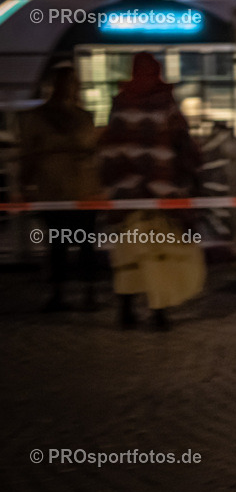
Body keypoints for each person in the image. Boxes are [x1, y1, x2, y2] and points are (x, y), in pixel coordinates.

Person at [98, 52, 205, 330]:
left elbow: (111, 147)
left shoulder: (120, 103)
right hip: (160, 191)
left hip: (128, 196)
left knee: (129, 252)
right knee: (160, 254)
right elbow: (181, 141)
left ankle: (125, 311)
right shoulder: (164, 102)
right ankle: (159, 312)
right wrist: (189, 172)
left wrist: (116, 182)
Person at [19, 65, 102, 312]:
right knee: (61, 243)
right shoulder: (46, 117)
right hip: (61, 189)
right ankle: (66, 291)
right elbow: (29, 155)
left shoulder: (81, 116)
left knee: (78, 243)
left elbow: (29, 155)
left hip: (77, 189)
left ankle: (80, 291)